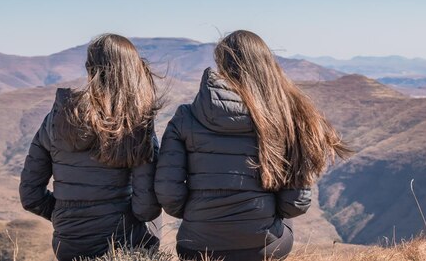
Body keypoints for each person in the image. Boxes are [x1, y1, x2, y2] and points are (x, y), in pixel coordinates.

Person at [155, 30, 352, 261]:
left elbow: (168, 194)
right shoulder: (285, 118)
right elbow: (295, 203)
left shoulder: (185, 116)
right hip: (263, 249)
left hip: (196, 248)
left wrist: (197, 215)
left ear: (222, 64)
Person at [19, 34, 162, 261]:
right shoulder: (135, 124)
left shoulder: (55, 119)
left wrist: (66, 216)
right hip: (123, 245)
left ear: (90, 68)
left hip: (68, 246)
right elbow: (146, 209)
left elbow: (30, 196)